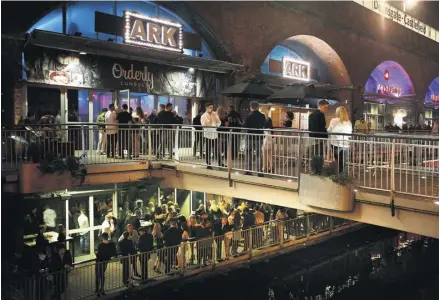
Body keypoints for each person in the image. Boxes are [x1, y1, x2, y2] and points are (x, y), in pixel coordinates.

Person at [243, 101, 266, 176]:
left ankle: (248, 171)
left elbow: (244, 126)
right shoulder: (262, 116)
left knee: (248, 153)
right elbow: (264, 124)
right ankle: (260, 171)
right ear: (258, 107)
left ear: (251, 107)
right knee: (259, 154)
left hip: (249, 137)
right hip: (259, 137)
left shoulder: (248, 116)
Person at [327, 106, 352, 173]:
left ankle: (338, 176)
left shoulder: (333, 120)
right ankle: (342, 176)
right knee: (343, 162)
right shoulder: (348, 122)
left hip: (336, 144)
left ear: (337, 112)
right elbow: (350, 133)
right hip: (346, 144)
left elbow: (329, 130)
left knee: (338, 161)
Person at [201, 103, 222, 169]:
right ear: (206, 107)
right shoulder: (203, 116)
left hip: (215, 134)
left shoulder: (215, 113)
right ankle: (208, 164)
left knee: (217, 149)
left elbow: (219, 122)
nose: (211, 108)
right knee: (208, 149)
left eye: (212, 107)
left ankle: (220, 162)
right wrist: (209, 128)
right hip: (208, 134)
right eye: (210, 107)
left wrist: (216, 126)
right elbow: (203, 125)